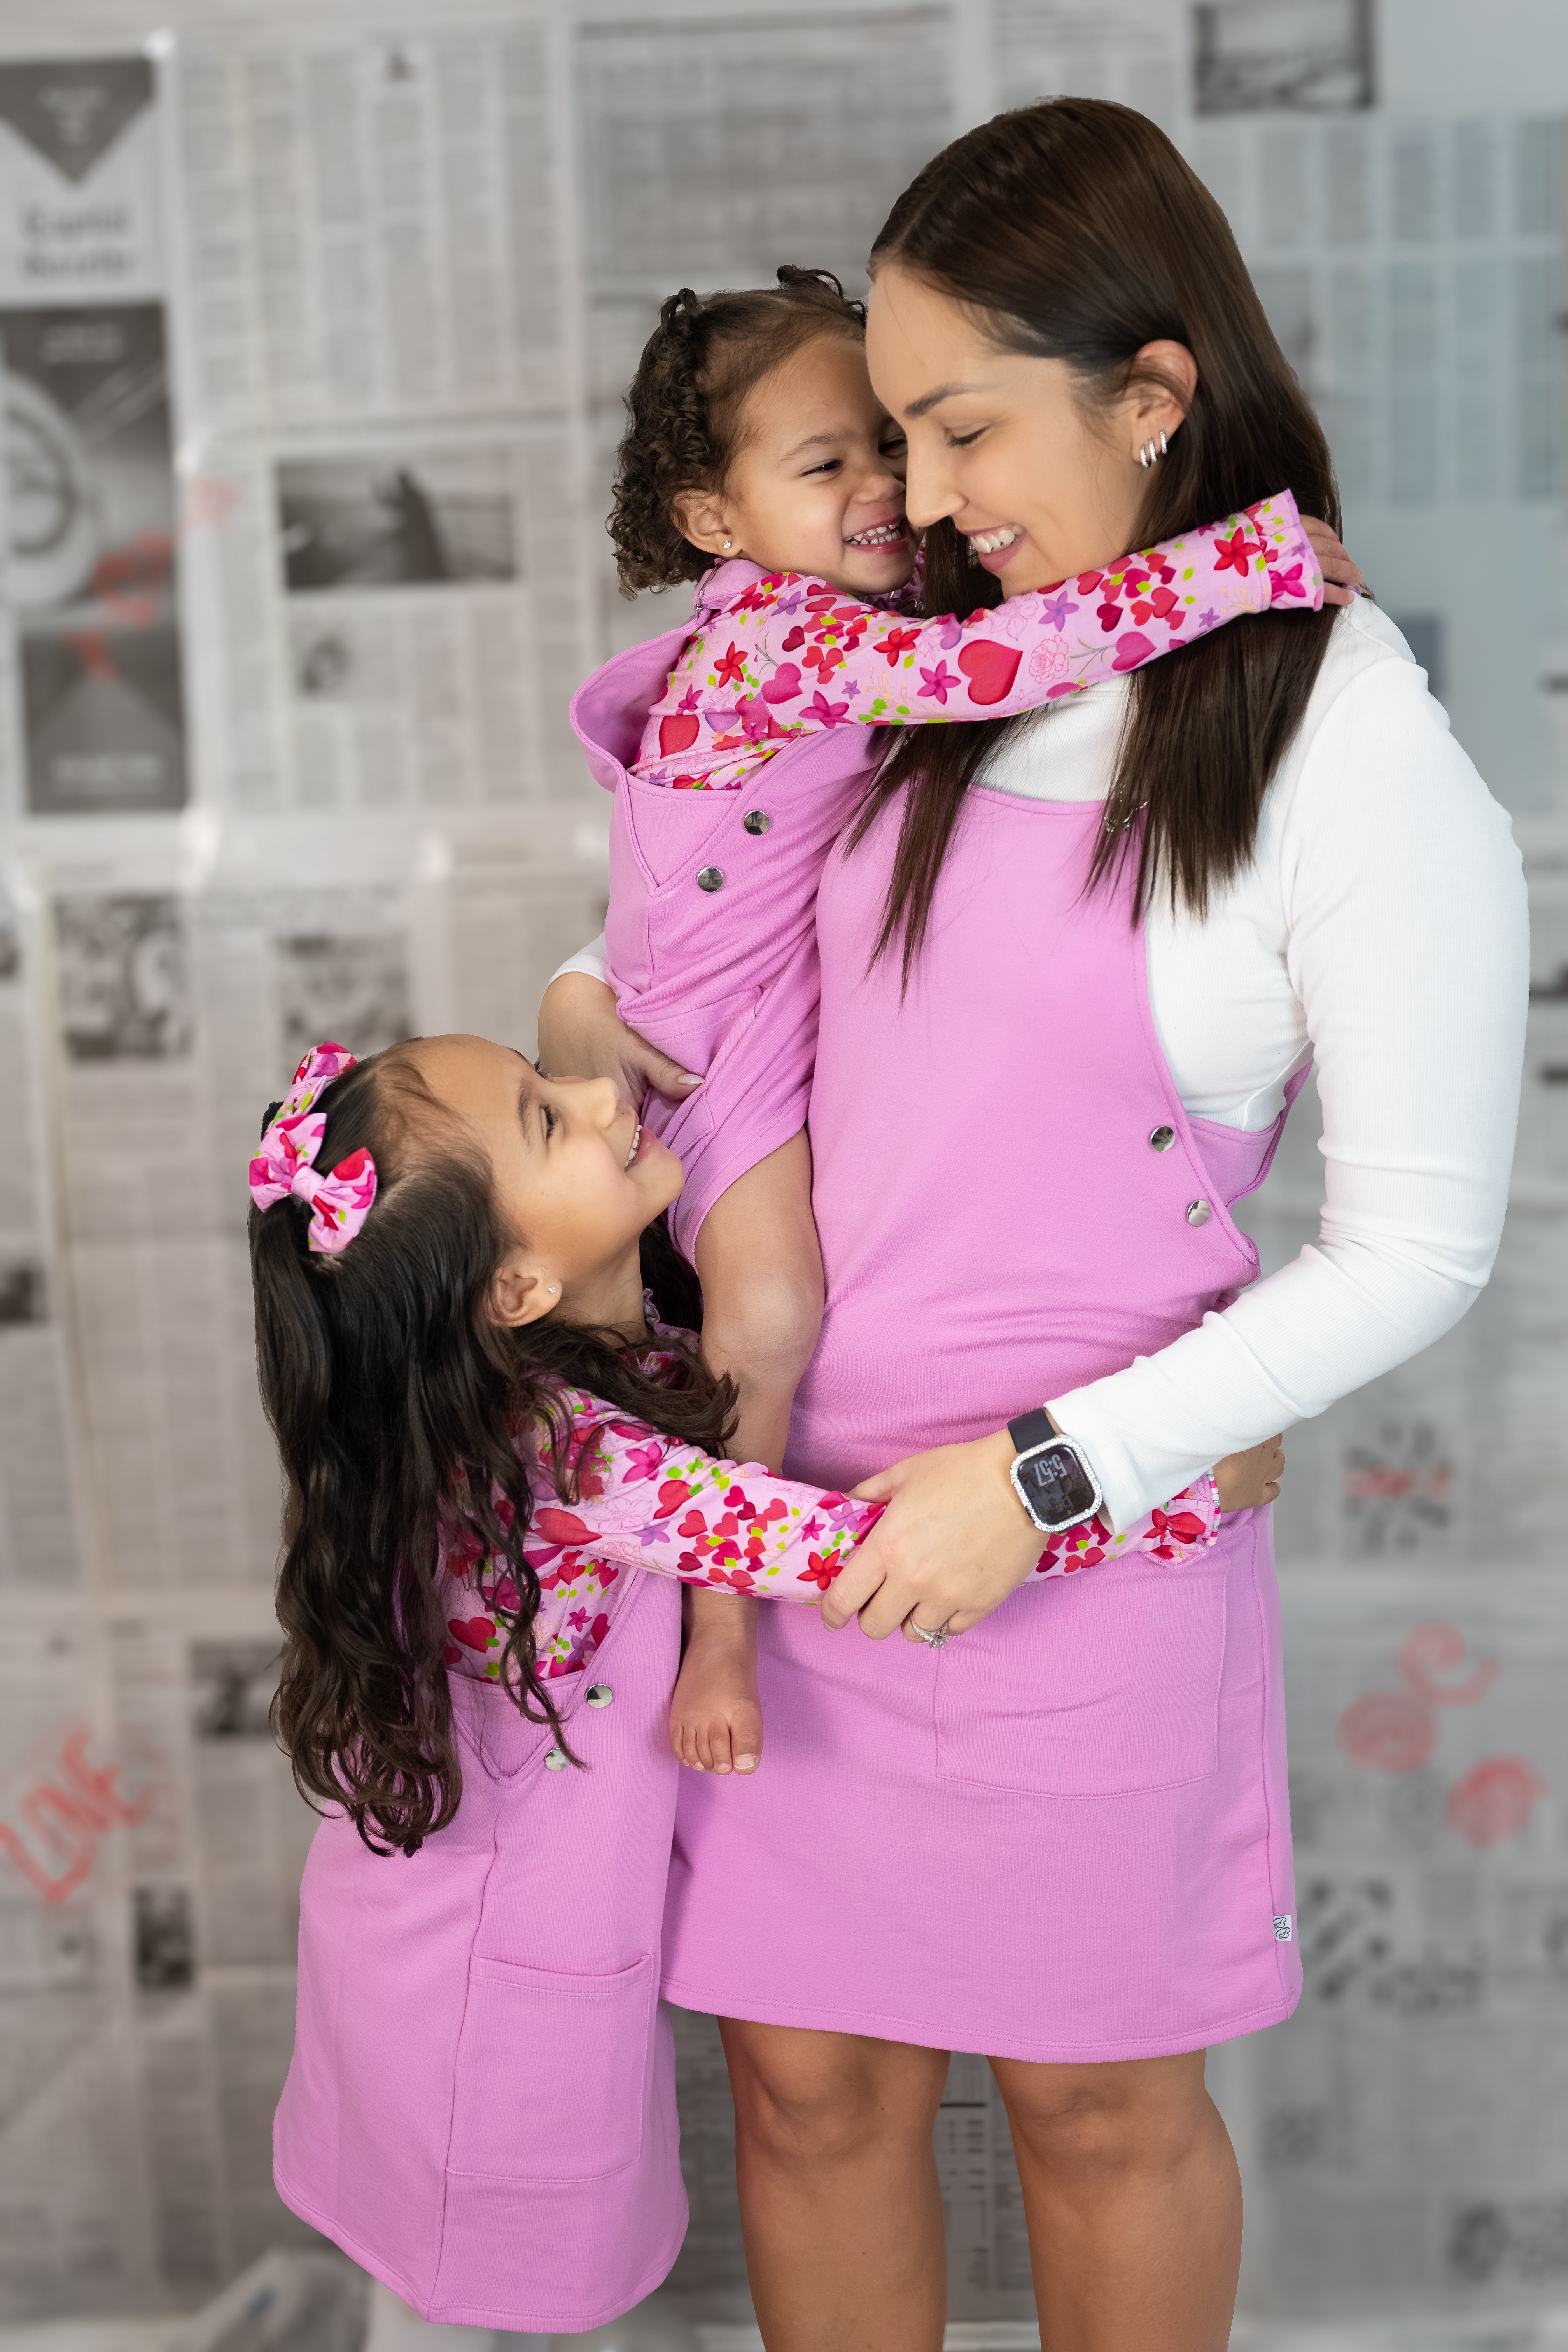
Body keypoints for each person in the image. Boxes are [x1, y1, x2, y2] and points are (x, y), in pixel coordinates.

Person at [539, 99, 1528, 2352]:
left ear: (1154, 393)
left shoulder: (1350, 746)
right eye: (890, 434)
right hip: (786, 1525)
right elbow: (718, 950)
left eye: (964, 427)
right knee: (804, 2095)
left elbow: (1417, 1252)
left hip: (1076, 1552)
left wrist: (1054, 1476)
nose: (923, 496)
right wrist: (586, 1010)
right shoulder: (929, 666)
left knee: (1098, 2116)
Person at [252, 1034, 1219, 2332]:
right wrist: (1170, 1485)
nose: (598, 1091)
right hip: (467, 1958)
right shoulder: (578, 1460)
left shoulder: (595, 1366)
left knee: (438, 2254)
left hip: (422, 1911)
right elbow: (870, 1555)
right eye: (547, 1119)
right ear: (517, 1287)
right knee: (458, 2272)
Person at [570, 262, 1350, 1774]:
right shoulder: (780, 635)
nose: (888, 485)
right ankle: (720, 1628)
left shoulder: (854, 603)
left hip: (784, 1018)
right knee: (766, 1323)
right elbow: (988, 666)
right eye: (826, 466)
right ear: (714, 522)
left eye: (893, 442)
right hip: (720, 1055)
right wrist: (1237, 566)